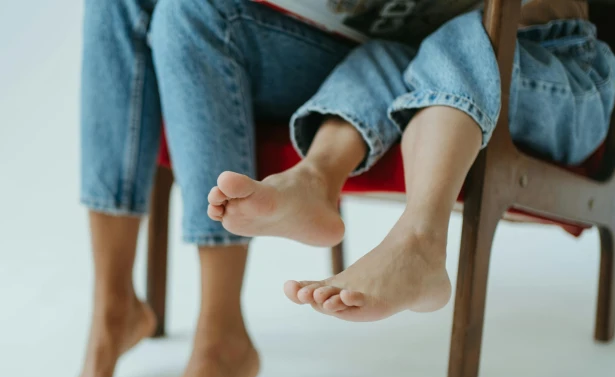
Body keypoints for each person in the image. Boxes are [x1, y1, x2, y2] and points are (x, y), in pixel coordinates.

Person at [54, 0, 372, 377]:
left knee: (192, 10)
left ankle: (222, 338)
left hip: (368, 47)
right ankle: (113, 307)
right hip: (282, 18)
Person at [209, 1, 615, 322]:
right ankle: (314, 180)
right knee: (384, 54)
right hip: (426, 53)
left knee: (455, 42)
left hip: (564, 78)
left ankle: (420, 243)